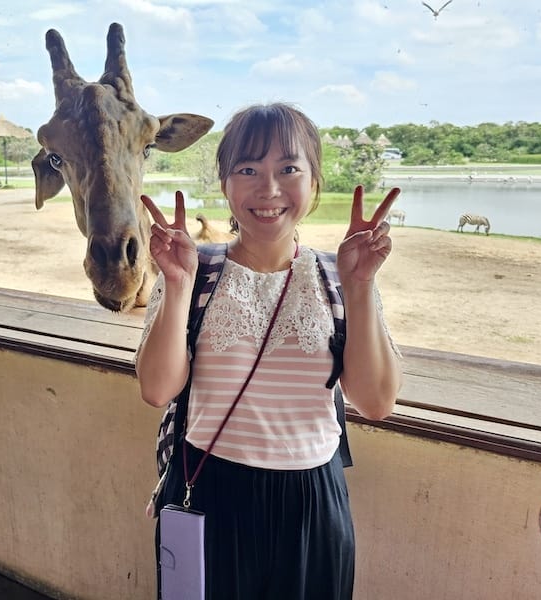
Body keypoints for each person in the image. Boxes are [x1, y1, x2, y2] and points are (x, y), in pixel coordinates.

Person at [135, 102, 402, 600]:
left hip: (312, 502)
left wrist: (360, 284)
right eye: (248, 169)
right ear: (225, 183)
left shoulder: (337, 276)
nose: (269, 189)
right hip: (208, 490)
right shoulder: (195, 271)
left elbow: (376, 401)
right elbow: (156, 389)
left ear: (314, 181)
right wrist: (175, 282)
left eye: (289, 169)